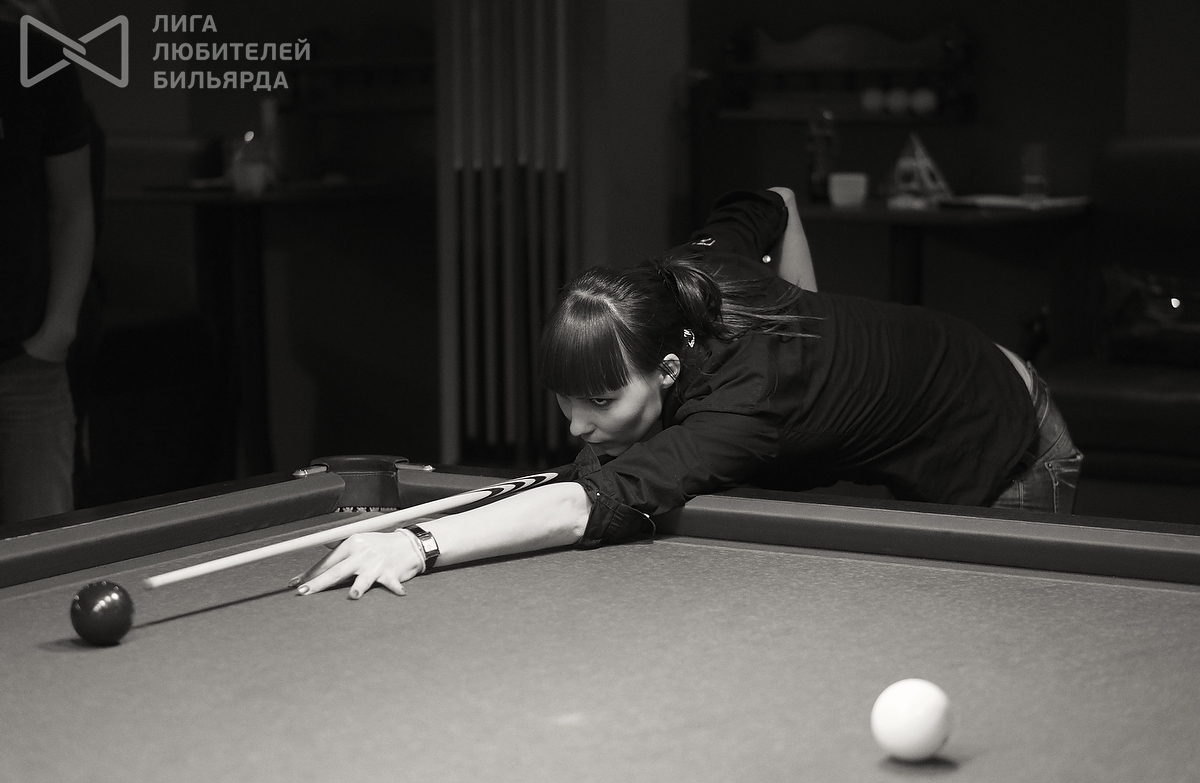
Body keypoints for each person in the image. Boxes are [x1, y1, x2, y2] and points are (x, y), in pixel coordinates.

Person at [291, 187, 1082, 598]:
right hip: (952, 371)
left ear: (668, 370)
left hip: (1009, 435)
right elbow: (775, 200)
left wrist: (417, 544)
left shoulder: (742, 406)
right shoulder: (684, 279)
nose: (577, 426)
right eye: (567, 400)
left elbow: (588, 503)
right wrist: (811, 317)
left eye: (603, 401)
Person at [0, 8, 95, 523]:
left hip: (25, 360)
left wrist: (57, 332)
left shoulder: (32, 57)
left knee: (45, 549)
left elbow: (72, 208)